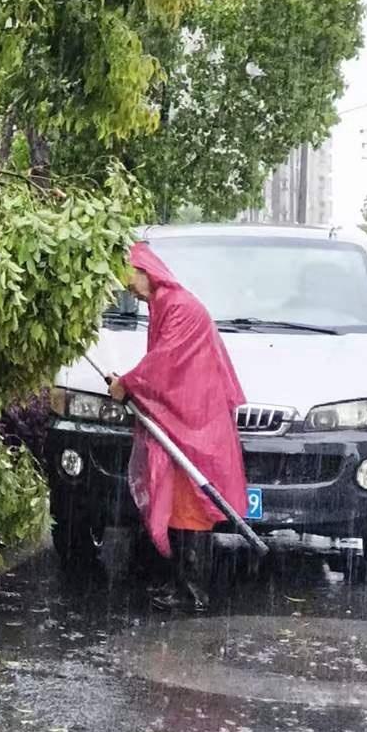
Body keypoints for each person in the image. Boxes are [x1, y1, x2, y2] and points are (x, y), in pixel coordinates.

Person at [108, 242, 248, 611]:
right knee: (182, 502)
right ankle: (183, 585)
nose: (131, 291)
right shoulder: (164, 305)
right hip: (186, 417)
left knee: (193, 505)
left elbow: (164, 363)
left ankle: (193, 592)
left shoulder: (179, 307)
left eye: (131, 281)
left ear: (146, 272)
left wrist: (127, 384)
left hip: (196, 421)